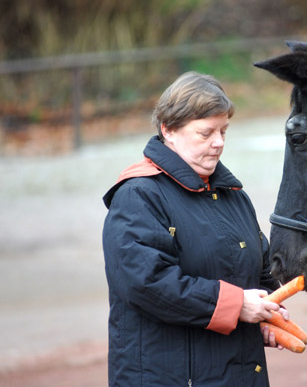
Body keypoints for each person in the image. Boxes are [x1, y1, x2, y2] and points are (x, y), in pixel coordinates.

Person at [102, 71, 287, 387]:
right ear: (168, 130)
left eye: (223, 131)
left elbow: (261, 271)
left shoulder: (233, 196)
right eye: (205, 133)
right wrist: (238, 305)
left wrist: (267, 310)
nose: (218, 144)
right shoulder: (138, 196)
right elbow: (148, 284)